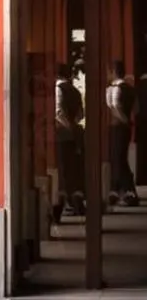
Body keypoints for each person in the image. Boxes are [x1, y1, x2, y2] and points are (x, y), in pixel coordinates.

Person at [54, 62, 85, 220]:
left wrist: (67, 127)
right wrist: (74, 125)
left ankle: (66, 202)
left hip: (61, 135)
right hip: (75, 136)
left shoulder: (57, 90)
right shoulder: (75, 91)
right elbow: (81, 115)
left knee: (62, 170)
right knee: (73, 168)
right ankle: (75, 199)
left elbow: (58, 112)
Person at [106, 59, 137, 206]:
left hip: (118, 126)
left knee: (117, 157)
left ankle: (119, 190)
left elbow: (114, 107)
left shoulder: (112, 89)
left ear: (113, 72)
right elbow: (136, 108)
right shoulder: (130, 89)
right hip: (126, 128)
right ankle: (127, 190)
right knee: (121, 157)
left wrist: (123, 119)